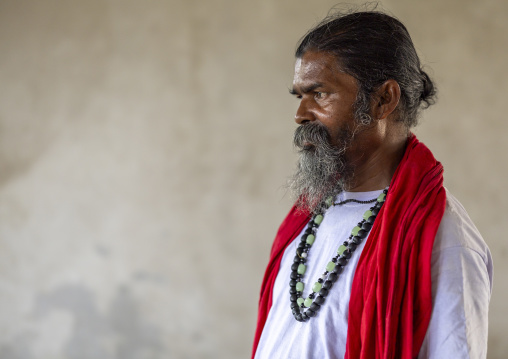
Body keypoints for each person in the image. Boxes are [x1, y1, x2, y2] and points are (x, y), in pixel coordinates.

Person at [252, 9, 493, 359]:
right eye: (298, 95)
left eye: (319, 94)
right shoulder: (308, 215)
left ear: (383, 99)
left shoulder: (445, 240)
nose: (300, 114)